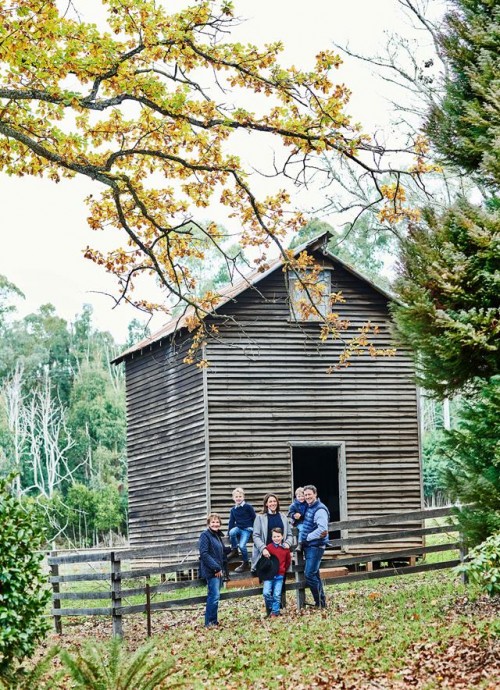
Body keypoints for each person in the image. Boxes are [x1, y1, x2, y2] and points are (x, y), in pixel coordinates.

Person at [300, 484, 330, 608]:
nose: (307, 497)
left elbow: (322, 529)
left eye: (309, 494)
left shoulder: (320, 509)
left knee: (309, 574)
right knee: (314, 574)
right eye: (305, 495)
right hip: (310, 546)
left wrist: (307, 537)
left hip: (315, 546)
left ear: (315, 494)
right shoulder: (310, 507)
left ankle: (320, 603)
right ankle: (321, 603)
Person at [198, 513, 229, 627]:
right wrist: (216, 567)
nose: (215, 524)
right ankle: (210, 623)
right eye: (213, 522)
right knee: (214, 597)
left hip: (218, 570)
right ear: (208, 524)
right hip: (212, 571)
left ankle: (213, 621)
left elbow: (221, 551)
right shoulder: (205, 535)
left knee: (215, 597)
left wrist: (233, 548)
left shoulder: (216, 536)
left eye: (217, 522)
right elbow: (204, 554)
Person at [251, 493, 293, 572]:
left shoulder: (283, 517)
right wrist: (263, 549)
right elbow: (256, 536)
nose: (273, 503)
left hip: (281, 554)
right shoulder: (260, 517)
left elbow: (289, 534)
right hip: (267, 554)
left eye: (274, 501)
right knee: (268, 580)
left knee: (281, 580)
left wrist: (287, 543)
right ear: (266, 504)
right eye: (270, 502)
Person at [261, 527, 291, 617]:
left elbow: (288, 562)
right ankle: (271, 608)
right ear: (272, 537)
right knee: (266, 593)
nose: (276, 538)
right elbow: (264, 561)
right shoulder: (269, 548)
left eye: (278, 536)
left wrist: (282, 570)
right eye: (274, 537)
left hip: (279, 575)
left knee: (277, 595)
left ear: (282, 537)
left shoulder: (285, 549)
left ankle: (275, 612)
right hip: (269, 575)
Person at [227, 487, 256, 573]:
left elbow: (254, 518)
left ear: (243, 497)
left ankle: (245, 562)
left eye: (240, 496)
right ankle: (234, 549)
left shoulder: (248, 507)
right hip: (238, 527)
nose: (238, 498)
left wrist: (254, 529)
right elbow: (231, 522)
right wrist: (227, 533)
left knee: (242, 545)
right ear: (233, 498)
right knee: (232, 532)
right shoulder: (233, 510)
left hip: (246, 529)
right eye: (236, 497)